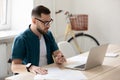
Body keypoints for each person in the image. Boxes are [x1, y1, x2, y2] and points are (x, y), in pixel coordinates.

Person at [11, 5, 66, 75]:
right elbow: (14, 67)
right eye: (45, 22)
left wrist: (59, 57)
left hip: (49, 73)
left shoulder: (48, 34)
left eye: (49, 22)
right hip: (30, 75)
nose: (48, 26)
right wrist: (31, 67)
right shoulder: (21, 39)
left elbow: (57, 53)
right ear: (34, 21)